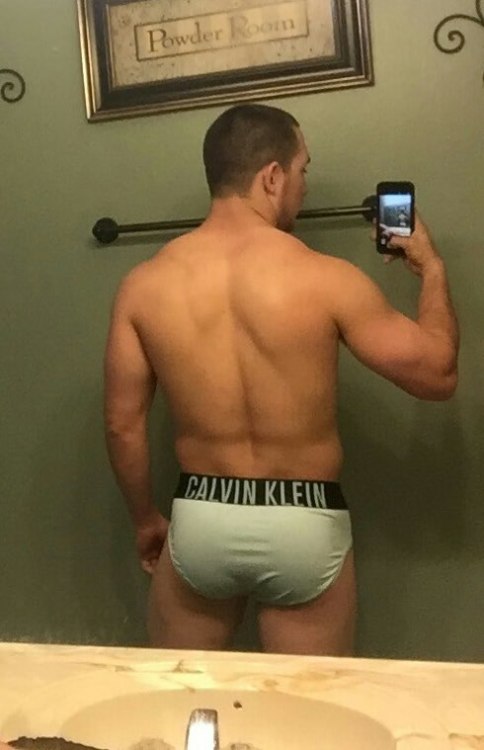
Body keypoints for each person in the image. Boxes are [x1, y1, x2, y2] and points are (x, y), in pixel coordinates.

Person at [104, 104, 459, 656]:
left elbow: (122, 426)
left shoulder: (144, 285)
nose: (304, 187)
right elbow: (438, 374)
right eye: (302, 170)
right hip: (304, 516)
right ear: (272, 176)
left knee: (183, 696)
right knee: (304, 705)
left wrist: (146, 519)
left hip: (203, 511)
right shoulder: (326, 278)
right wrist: (431, 268)